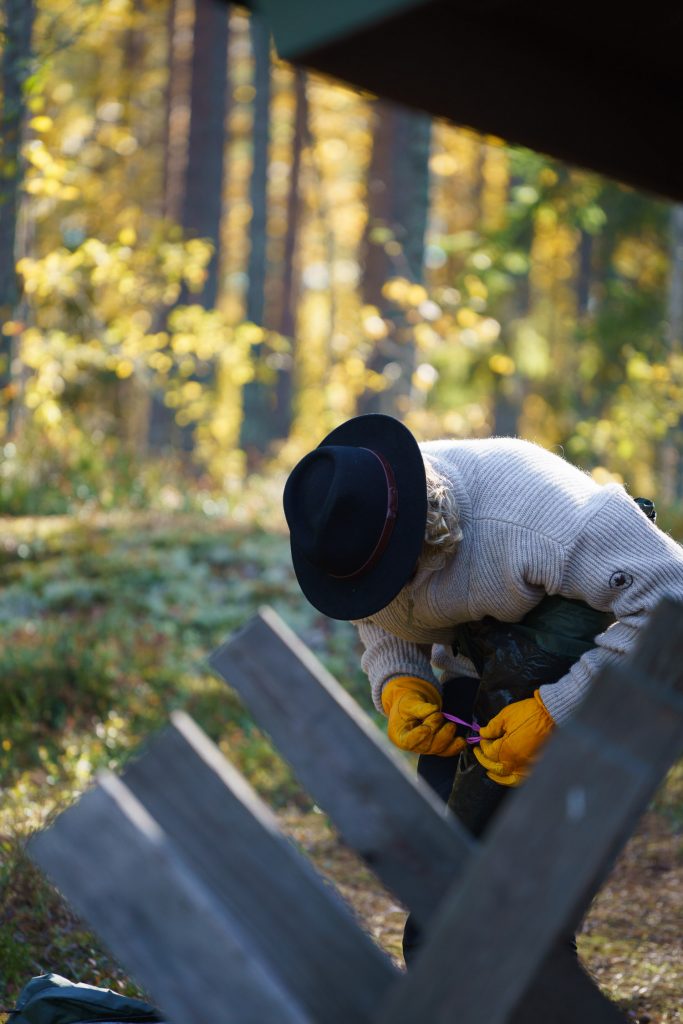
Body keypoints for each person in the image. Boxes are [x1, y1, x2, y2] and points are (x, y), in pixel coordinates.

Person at [282, 413, 683, 960]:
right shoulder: (351, 521)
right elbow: (378, 612)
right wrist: (400, 681)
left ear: (420, 536)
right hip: (485, 667)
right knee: (439, 868)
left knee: (521, 905)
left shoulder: (538, 518)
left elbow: (672, 597)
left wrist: (557, 712)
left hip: (601, 674)